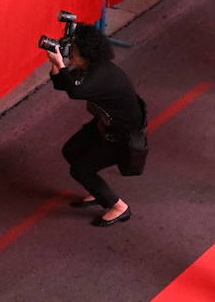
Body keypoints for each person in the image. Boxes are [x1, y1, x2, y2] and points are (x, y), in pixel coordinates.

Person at [45, 24, 147, 227]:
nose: (69, 53)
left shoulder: (102, 75)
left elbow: (76, 92)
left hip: (121, 136)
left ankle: (119, 208)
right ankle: (96, 191)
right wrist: (56, 65)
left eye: (73, 50)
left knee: (80, 169)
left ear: (86, 54)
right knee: (71, 150)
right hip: (104, 125)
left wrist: (61, 64)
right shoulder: (91, 67)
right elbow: (63, 84)